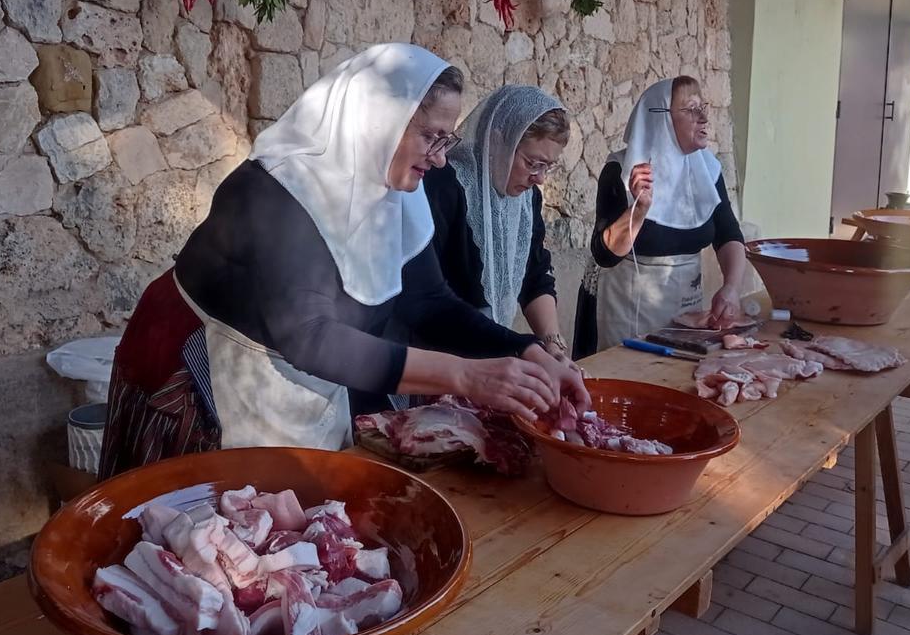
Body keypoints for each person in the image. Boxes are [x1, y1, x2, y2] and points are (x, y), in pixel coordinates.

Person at [98, 44, 588, 479]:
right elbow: (309, 336)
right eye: (431, 137)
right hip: (205, 371)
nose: (441, 159)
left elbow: (429, 303)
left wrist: (526, 349)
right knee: (192, 544)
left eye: (448, 140)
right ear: (379, 121)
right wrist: (464, 375)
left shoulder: (395, 193)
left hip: (299, 377)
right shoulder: (277, 193)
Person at [573, 76, 746, 357]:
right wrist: (639, 210)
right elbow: (604, 254)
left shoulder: (708, 170)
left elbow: (728, 233)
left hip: (685, 315)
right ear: (661, 118)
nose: (703, 118)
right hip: (625, 313)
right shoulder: (621, 170)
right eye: (691, 110)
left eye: (704, 107)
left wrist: (732, 287)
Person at [423, 85, 571, 356]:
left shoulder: (528, 200)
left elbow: (535, 274)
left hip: (493, 348)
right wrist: (519, 347)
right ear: (498, 141)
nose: (539, 178)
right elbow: (430, 296)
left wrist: (553, 344)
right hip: (439, 353)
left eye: (547, 167)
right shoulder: (446, 186)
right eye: (532, 163)